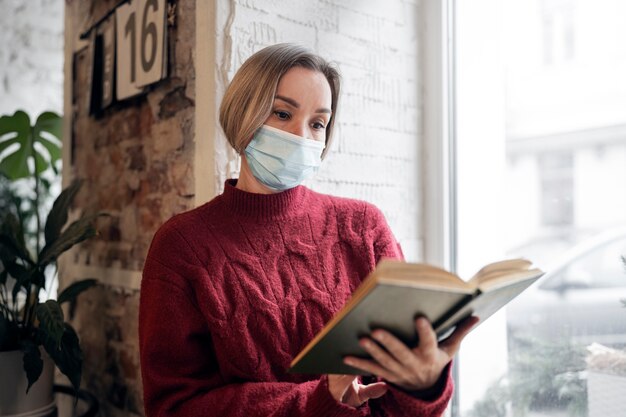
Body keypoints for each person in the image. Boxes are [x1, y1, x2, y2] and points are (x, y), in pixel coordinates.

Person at [139, 43, 478, 417]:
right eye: (282, 113)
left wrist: (425, 384)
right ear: (242, 116)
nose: (302, 136)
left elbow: (400, 406)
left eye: (318, 123)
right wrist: (318, 401)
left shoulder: (364, 227)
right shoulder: (182, 246)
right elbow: (173, 407)